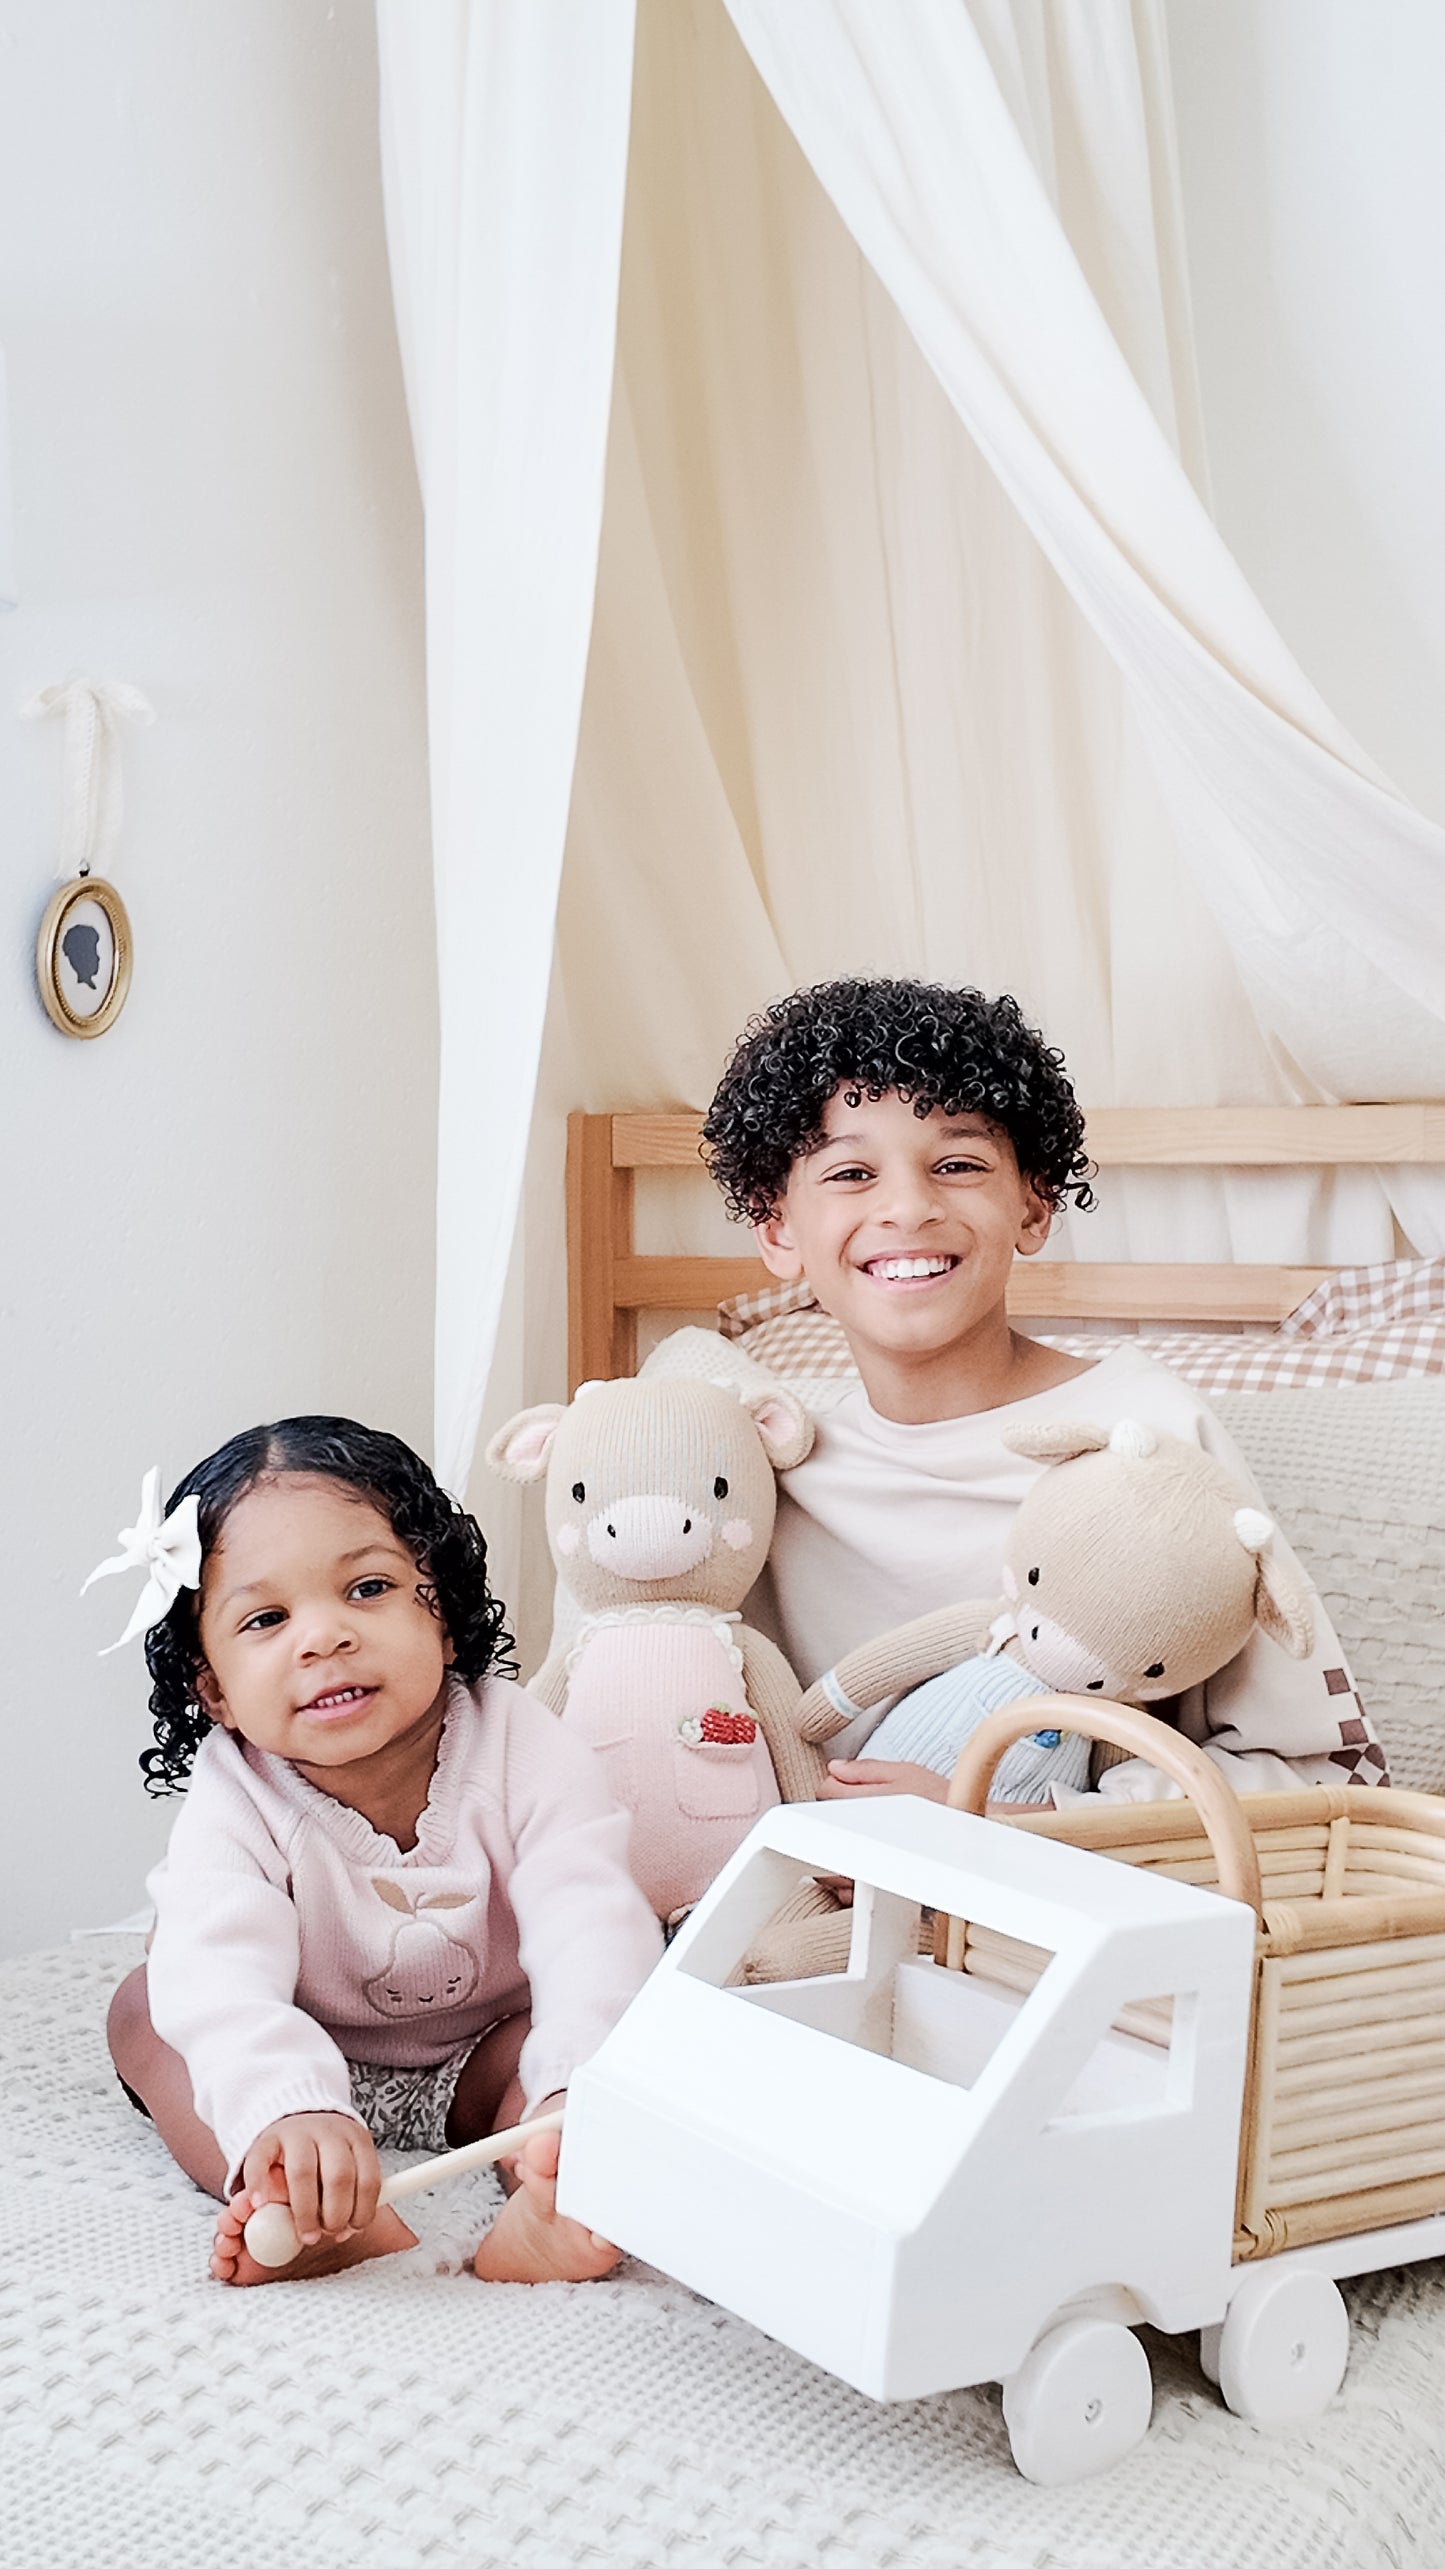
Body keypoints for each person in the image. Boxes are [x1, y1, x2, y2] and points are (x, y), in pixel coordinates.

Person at [701, 977, 1386, 1804]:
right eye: (850, 1172)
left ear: (1033, 1205)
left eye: (957, 1164)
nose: (908, 1207)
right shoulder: (754, 1472)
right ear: (777, 1227)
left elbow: (1317, 1773)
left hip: (1065, 1881)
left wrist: (995, 1822)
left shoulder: (1143, 1432)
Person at [101, 1418, 663, 2287]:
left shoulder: (525, 1746)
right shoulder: (237, 1792)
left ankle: (548, 2203)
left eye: (367, 1587)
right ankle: (307, 2201)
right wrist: (282, 2106)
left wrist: (566, 2085)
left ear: (445, 1615)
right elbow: (218, 1969)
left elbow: (590, 1926)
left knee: (586, 2055)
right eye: (267, 1618)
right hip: (304, 2040)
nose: (323, 1637)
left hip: (483, 2053)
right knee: (149, 2007)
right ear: (214, 1689)